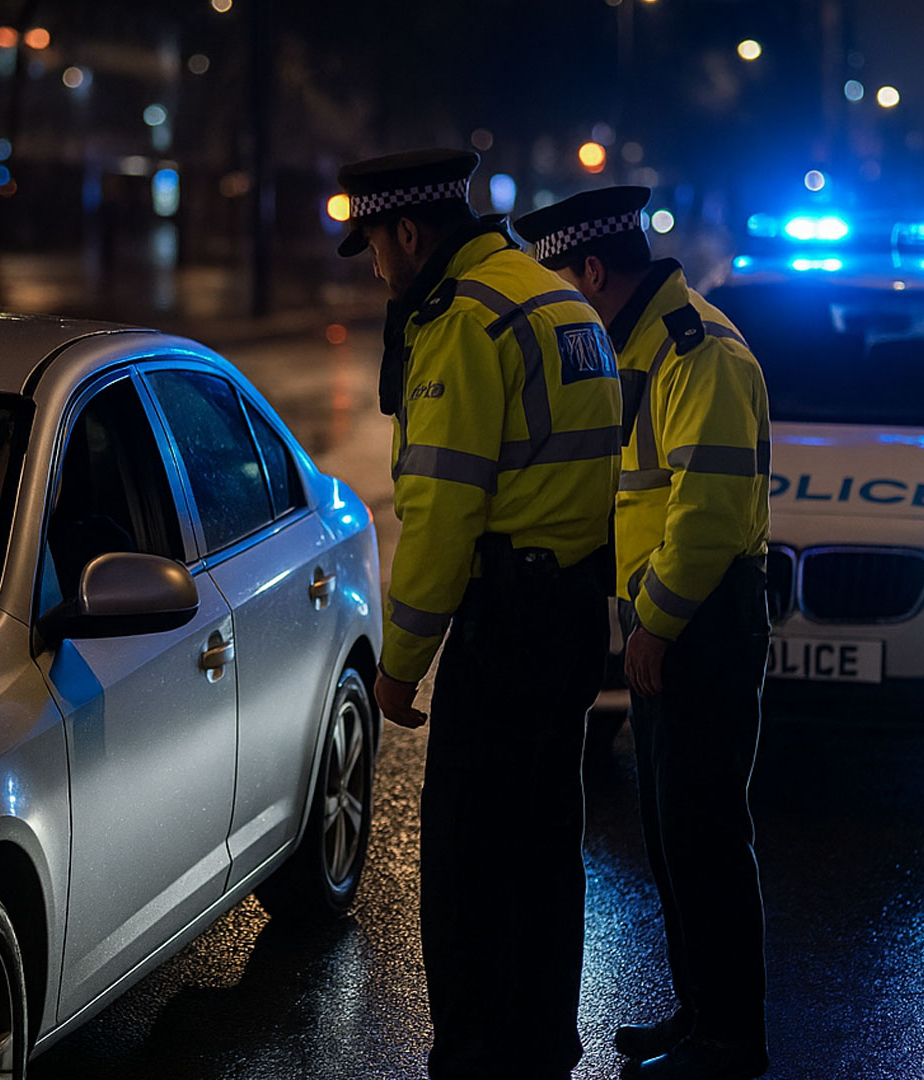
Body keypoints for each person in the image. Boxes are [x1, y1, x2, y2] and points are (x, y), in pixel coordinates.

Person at [336, 148, 620, 1079]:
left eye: (374, 244)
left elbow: (444, 509)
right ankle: (541, 1047)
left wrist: (401, 663)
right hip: (574, 607)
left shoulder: (464, 322)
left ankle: (472, 1060)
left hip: (507, 625)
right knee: (545, 850)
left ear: (409, 233)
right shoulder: (554, 299)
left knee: (464, 861)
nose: (375, 266)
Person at [516, 187, 773, 1080]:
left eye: (564, 280)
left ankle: (731, 1039)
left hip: (702, 623)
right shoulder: (648, 345)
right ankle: (699, 1012)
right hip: (677, 622)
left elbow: (706, 514)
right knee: (673, 839)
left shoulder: (695, 352)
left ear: (593, 271)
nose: (563, 300)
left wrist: (652, 626)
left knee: (704, 838)